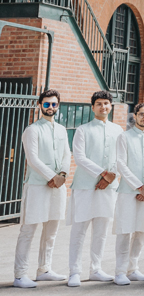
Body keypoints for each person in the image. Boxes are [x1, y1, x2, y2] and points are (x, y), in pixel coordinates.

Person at [13, 89, 70, 288]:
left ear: (58, 105)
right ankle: (20, 275)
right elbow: (33, 159)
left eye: (54, 104)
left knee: (51, 230)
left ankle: (44, 269)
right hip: (37, 186)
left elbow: (66, 155)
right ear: (40, 105)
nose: (50, 107)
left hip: (58, 187)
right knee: (28, 230)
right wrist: (51, 176)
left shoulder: (62, 130)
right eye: (47, 104)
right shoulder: (32, 130)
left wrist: (61, 175)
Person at [67, 90, 123, 286]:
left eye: (106, 103)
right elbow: (80, 157)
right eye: (99, 103)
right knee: (79, 229)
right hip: (84, 185)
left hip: (109, 187)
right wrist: (102, 173)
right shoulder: (83, 130)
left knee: (102, 229)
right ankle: (74, 271)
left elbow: (120, 158)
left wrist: (110, 177)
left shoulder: (118, 130)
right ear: (93, 107)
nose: (103, 107)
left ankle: (96, 269)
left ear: (111, 106)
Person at [113, 102, 144, 285]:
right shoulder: (124, 137)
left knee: (141, 231)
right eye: (141, 114)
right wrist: (139, 187)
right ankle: (120, 272)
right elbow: (121, 164)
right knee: (125, 231)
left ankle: (132, 269)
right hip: (128, 192)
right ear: (135, 115)